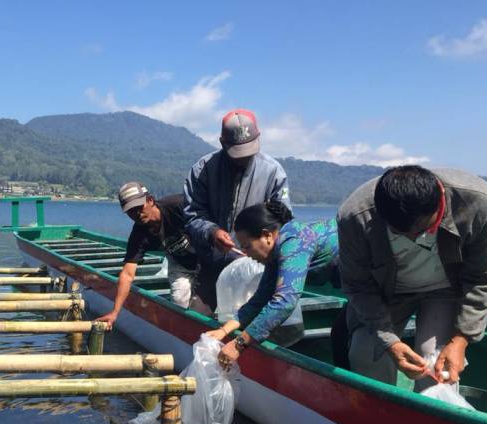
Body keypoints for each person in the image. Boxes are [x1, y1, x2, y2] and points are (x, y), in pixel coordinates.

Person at [337, 165, 487, 390]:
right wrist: (390, 344)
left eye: (426, 229)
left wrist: (461, 339)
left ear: (440, 203)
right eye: (399, 233)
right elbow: (358, 286)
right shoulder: (355, 216)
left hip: (446, 290)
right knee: (367, 353)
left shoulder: (479, 202)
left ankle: (436, 409)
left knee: (436, 364)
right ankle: (379, 410)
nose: (413, 238)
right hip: (388, 291)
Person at [205, 200, 339, 366]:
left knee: (342, 335)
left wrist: (239, 344)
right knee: (341, 334)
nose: (246, 254)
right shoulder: (275, 254)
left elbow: (285, 301)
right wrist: (223, 331)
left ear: (267, 235)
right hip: (353, 283)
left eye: (247, 246)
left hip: (363, 276)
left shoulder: (294, 242)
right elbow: (260, 298)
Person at [97, 182, 210, 326]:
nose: (137, 214)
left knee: (205, 304)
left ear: (150, 200)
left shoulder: (177, 205)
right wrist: (115, 312)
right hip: (179, 262)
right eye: (131, 211)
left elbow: (209, 214)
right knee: (179, 303)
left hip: (206, 257)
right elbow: (127, 274)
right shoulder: (138, 235)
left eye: (139, 207)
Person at [183, 108, 291, 259]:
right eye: (237, 153)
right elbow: (193, 215)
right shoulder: (202, 171)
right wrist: (212, 232)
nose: (243, 159)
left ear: (258, 138)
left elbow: (284, 221)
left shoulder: (274, 173)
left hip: (256, 263)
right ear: (222, 143)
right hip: (209, 262)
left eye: (248, 152)